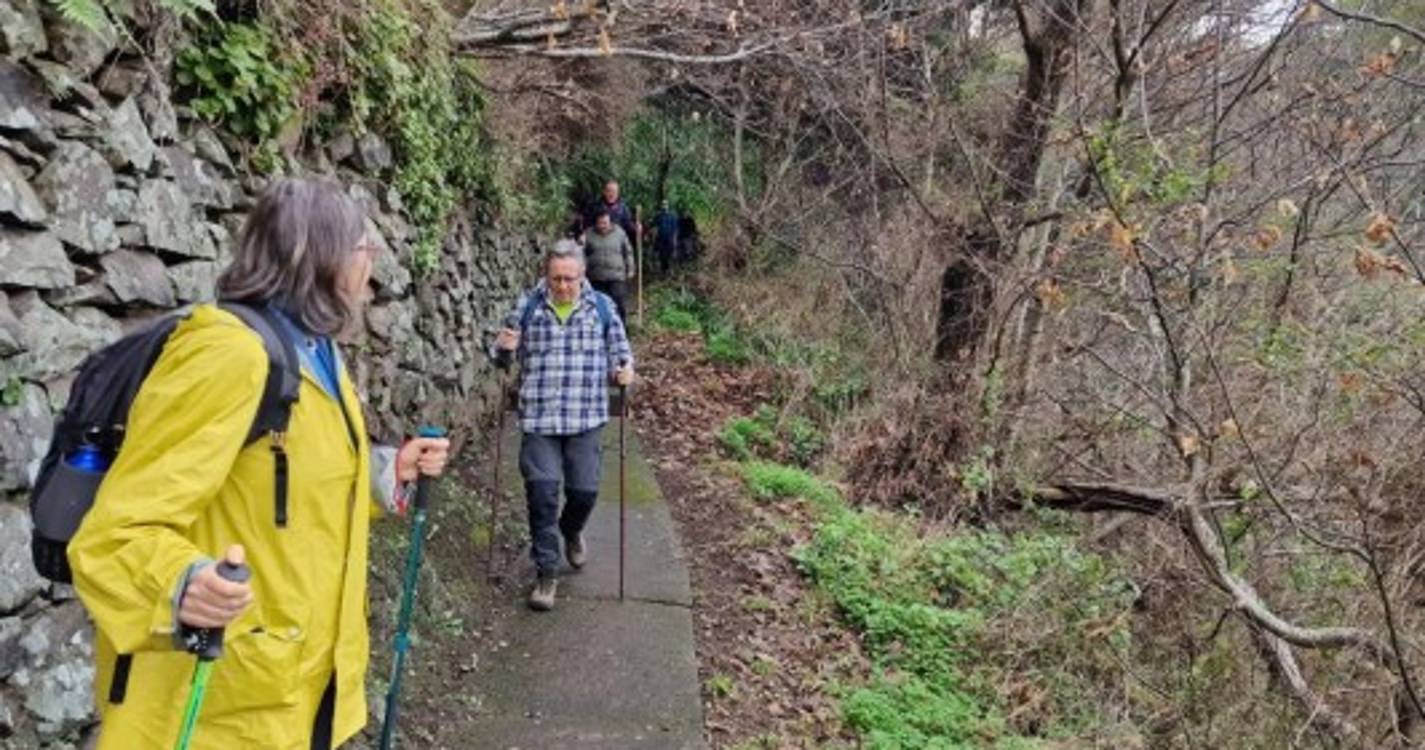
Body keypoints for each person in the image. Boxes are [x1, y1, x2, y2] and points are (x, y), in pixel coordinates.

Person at [67, 178, 451, 750]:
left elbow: (292, 482)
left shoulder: (317, 353)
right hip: (213, 708)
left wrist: (385, 473)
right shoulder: (229, 355)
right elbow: (116, 534)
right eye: (364, 250)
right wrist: (183, 583)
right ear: (320, 258)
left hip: (295, 690)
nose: (374, 269)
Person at [492, 239, 634, 612]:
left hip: (585, 417)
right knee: (542, 494)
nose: (563, 286)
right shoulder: (527, 307)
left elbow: (622, 354)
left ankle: (571, 530)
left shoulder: (602, 308)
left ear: (582, 275)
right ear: (546, 275)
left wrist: (624, 372)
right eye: (556, 279)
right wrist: (503, 348)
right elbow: (502, 359)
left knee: (584, 493)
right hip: (539, 418)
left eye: (570, 279)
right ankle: (546, 573)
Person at [582, 210, 635, 322]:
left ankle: (622, 328)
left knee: (619, 303)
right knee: (599, 305)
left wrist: (631, 268)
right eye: (600, 223)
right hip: (596, 277)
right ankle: (602, 330)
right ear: (596, 223)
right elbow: (581, 254)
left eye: (605, 223)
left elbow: (628, 251)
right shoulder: (588, 234)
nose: (602, 226)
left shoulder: (620, 233)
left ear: (610, 222)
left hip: (616, 276)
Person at [651, 200, 680, 276]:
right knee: (662, 256)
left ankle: (670, 270)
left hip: (670, 239)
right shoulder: (658, 216)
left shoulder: (673, 216)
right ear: (661, 206)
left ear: (668, 205)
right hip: (660, 239)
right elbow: (654, 228)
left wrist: (675, 240)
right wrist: (653, 239)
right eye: (663, 204)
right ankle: (663, 271)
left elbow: (675, 230)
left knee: (670, 255)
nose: (664, 206)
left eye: (666, 204)